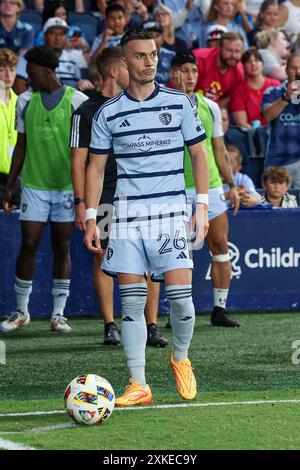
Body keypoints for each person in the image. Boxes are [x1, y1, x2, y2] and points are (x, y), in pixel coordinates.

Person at [84, 28, 209, 406]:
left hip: (170, 213)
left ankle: (181, 357)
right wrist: (92, 216)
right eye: (140, 55)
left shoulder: (181, 103)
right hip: (124, 217)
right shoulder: (108, 112)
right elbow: (95, 167)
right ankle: (139, 383)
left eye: (153, 54)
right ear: (125, 62)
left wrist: (201, 205)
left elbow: (199, 156)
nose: (149, 61)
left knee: (182, 299)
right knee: (132, 303)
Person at [0, 45, 87, 334]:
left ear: (47, 71)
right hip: (34, 187)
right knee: (29, 244)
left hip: (65, 189)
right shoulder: (25, 101)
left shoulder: (78, 101)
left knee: (62, 247)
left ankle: (58, 314)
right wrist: (10, 186)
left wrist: (82, 197)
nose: (28, 77)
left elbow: (86, 154)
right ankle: (22, 310)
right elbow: (20, 147)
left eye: (32, 72)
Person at [170, 51, 240, 327]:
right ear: (174, 73)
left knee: (220, 245)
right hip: (174, 186)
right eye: (184, 71)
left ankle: (219, 308)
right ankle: (179, 309)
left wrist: (231, 184)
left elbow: (219, 149)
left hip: (210, 185)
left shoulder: (209, 106)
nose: (190, 77)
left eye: (194, 71)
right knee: (177, 251)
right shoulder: (162, 104)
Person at [15, 17, 82, 94]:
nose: (58, 38)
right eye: (53, 33)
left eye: (61, 34)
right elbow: (19, 83)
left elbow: (78, 85)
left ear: (66, 37)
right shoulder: (30, 56)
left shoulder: (73, 59)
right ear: (44, 36)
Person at [262, 54, 300, 189]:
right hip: (278, 160)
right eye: (294, 68)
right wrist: (286, 97)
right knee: (276, 207)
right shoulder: (273, 92)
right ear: (286, 70)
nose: (298, 72)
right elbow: (267, 116)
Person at [193, 31, 244, 107]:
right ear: (219, 48)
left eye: (237, 51)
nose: (233, 55)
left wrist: (213, 111)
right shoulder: (199, 60)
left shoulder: (239, 72)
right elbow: (181, 90)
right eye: (229, 50)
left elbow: (228, 98)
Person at [230, 49, 280, 127]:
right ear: (243, 67)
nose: (253, 64)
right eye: (249, 62)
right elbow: (241, 122)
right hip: (251, 134)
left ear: (262, 64)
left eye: (256, 60)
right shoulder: (239, 90)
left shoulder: (275, 84)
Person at [0, 47, 20, 208]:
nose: (8, 75)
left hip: (17, 179)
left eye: (12, 70)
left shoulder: (20, 103)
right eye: (2, 70)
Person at [143, 21, 175, 86]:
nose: (154, 40)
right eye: (150, 36)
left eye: (157, 36)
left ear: (163, 38)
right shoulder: (139, 57)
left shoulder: (172, 56)